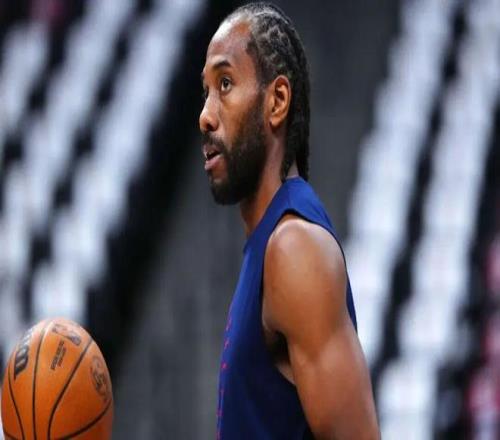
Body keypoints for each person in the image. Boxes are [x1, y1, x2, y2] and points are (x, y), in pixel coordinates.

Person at [199, 3, 379, 439]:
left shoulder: (294, 248)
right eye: (205, 91)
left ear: (277, 101)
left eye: (225, 84)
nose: (205, 115)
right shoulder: (269, 244)